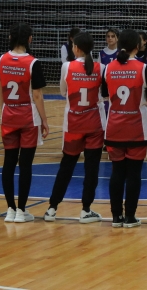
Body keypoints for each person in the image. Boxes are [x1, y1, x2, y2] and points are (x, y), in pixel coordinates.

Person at [44, 32, 105, 224]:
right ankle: (86, 210)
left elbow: (63, 92)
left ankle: (52, 208)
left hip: (73, 124)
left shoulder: (67, 66)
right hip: (94, 124)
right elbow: (103, 95)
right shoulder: (100, 67)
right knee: (92, 169)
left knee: (66, 167)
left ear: (76, 48)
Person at [0, 23, 50, 223]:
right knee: (25, 165)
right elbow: (37, 95)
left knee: (8, 163)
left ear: (10, 38)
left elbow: (0, 89)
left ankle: (10, 209)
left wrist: (4, 110)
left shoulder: (1, 60)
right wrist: (44, 120)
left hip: (8, 115)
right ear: (30, 39)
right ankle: (21, 210)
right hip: (28, 117)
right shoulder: (33, 63)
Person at [102, 29, 147, 228]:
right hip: (136, 128)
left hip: (114, 126)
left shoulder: (108, 68)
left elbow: (105, 94)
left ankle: (116, 217)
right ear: (137, 46)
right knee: (134, 173)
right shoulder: (143, 68)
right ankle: (130, 216)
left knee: (117, 172)